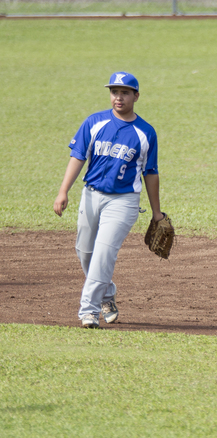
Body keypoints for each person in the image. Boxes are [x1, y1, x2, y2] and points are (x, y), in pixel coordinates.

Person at [53, 72, 165, 329]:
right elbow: (78, 156)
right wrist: (63, 191)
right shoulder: (95, 122)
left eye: (125, 92)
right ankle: (107, 293)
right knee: (85, 252)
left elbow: (151, 172)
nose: (119, 97)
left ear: (136, 96)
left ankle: (89, 311)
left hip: (124, 202)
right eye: (115, 91)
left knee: (104, 254)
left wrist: (156, 212)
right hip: (91, 195)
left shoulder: (145, 132)